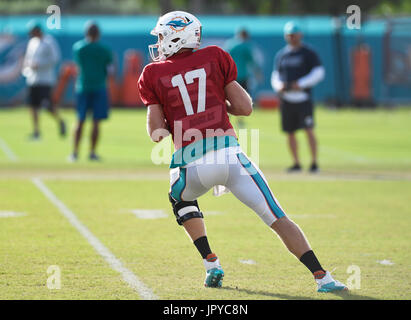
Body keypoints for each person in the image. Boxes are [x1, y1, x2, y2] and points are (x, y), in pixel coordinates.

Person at [138, 11, 347, 292]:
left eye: (162, 35)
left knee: (180, 198)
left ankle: (211, 262)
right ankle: (324, 277)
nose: (160, 41)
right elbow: (245, 108)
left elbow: (156, 134)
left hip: (192, 165)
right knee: (277, 217)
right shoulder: (215, 56)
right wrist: (215, 105)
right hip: (231, 157)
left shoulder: (152, 73)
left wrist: (173, 118)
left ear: (177, 35)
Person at [271, 21, 325, 173]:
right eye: (289, 35)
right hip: (287, 99)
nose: (292, 38)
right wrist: (279, 86)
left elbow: (319, 72)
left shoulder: (308, 53)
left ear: (300, 35)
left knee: (308, 129)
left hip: (303, 98)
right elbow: (275, 75)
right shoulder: (282, 55)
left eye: (294, 35)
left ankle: (314, 162)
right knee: (290, 132)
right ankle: (296, 163)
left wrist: (300, 84)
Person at [70, 22, 113, 162]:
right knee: (96, 122)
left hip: (83, 87)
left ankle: (75, 153)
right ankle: (92, 152)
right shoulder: (105, 49)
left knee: (80, 120)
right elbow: (111, 70)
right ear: (98, 33)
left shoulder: (79, 48)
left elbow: (78, 67)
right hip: (99, 87)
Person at [22, 21, 66, 140]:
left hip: (45, 79)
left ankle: (60, 120)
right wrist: (27, 66)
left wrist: (39, 64)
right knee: (33, 106)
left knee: (47, 105)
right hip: (32, 79)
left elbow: (55, 58)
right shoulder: (32, 42)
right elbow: (27, 58)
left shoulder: (49, 41)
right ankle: (36, 132)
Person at [224, 28, 261, 129]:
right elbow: (251, 61)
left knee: (228, 97)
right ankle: (239, 120)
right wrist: (258, 73)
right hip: (243, 75)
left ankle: (227, 118)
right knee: (242, 98)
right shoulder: (245, 46)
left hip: (230, 76)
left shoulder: (229, 44)